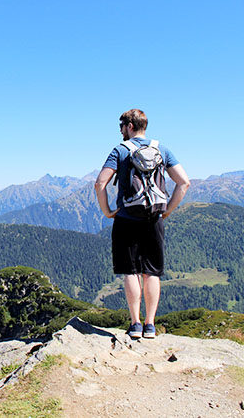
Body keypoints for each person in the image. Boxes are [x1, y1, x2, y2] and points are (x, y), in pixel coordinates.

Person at [94, 109, 190, 339]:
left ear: (128, 126)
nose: (120, 132)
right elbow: (184, 183)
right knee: (152, 272)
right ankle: (150, 325)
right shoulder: (161, 149)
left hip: (126, 219)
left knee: (131, 271)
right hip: (154, 219)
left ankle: (135, 323)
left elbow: (100, 183)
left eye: (121, 127)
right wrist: (166, 210)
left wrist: (107, 211)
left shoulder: (120, 150)